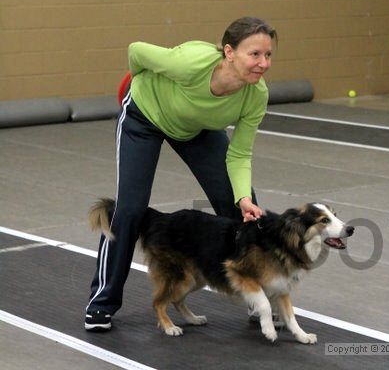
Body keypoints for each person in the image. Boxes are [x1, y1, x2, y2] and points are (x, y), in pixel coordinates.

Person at [85, 17, 276, 331]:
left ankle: (258, 301)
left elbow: (239, 154)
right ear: (229, 52)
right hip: (144, 117)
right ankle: (102, 301)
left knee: (242, 208)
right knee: (131, 209)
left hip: (197, 128)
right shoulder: (191, 62)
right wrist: (136, 85)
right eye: (254, 54)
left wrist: (243, 197)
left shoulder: (256, 95)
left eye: (268, 55)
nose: (263, 63)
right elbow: (136, 51)